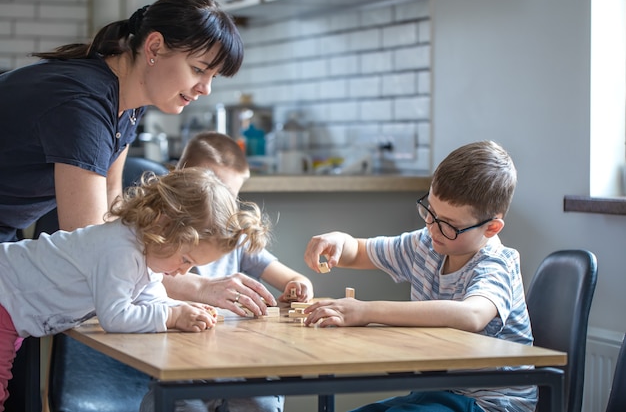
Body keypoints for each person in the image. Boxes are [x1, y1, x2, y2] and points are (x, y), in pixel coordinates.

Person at [0, 0, 243, 408]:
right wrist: (191, 289)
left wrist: (179, 285)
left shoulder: (124, 107)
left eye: (213, 76)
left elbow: (115, 216)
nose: (205, 88)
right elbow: (95, 239)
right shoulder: (84, 105)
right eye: (199, 69)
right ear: (153, 48)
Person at [0, 167, 270, 411]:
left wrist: (182, 310)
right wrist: (173, 317)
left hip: (15, 310)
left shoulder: (147, 255)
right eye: (186, 260)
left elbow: (152, 301)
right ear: (162, 226)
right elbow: (114, 317)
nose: (183, 271)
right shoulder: (120, 250)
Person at [302, 140, 536, 412]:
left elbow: (471, 316)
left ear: (491, 228)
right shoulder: (426, 244)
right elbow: (362, 252)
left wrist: (366, 311)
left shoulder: (497, 264)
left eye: (449, 225)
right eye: (431, 212)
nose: (433, 229)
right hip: (434, 393)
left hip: (489, 404)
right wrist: (339, 242)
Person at [140, 132, 314, 412]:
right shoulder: (157, 241)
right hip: (180, 372)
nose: (219, 204)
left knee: (264, 405)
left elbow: (293, 279)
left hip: (239, 367)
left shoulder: (234, 241)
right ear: (180, 179)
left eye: (229, 196)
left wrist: (298, 286)